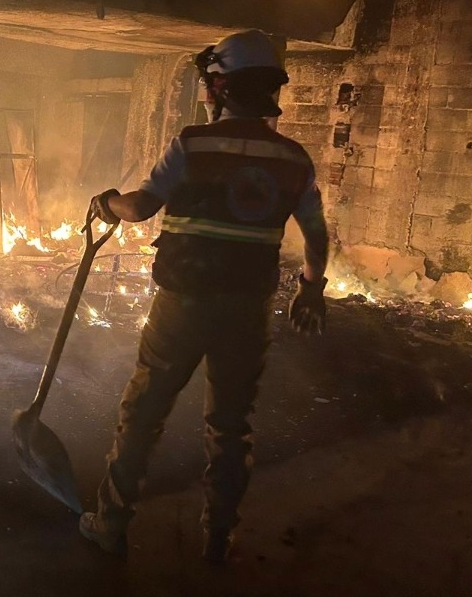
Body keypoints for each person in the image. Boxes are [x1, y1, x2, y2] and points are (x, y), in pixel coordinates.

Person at [78, 29, 330, 564]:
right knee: (231, 425)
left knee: (143, 413)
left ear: (220, 86)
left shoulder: (192, 144)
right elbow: (315, 232)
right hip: (247, 309)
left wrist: (107, 202)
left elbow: (141, 207)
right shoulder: (293, 158)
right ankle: (218, 537)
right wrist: (311, 290)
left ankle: (111, 523)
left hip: (183, 303)